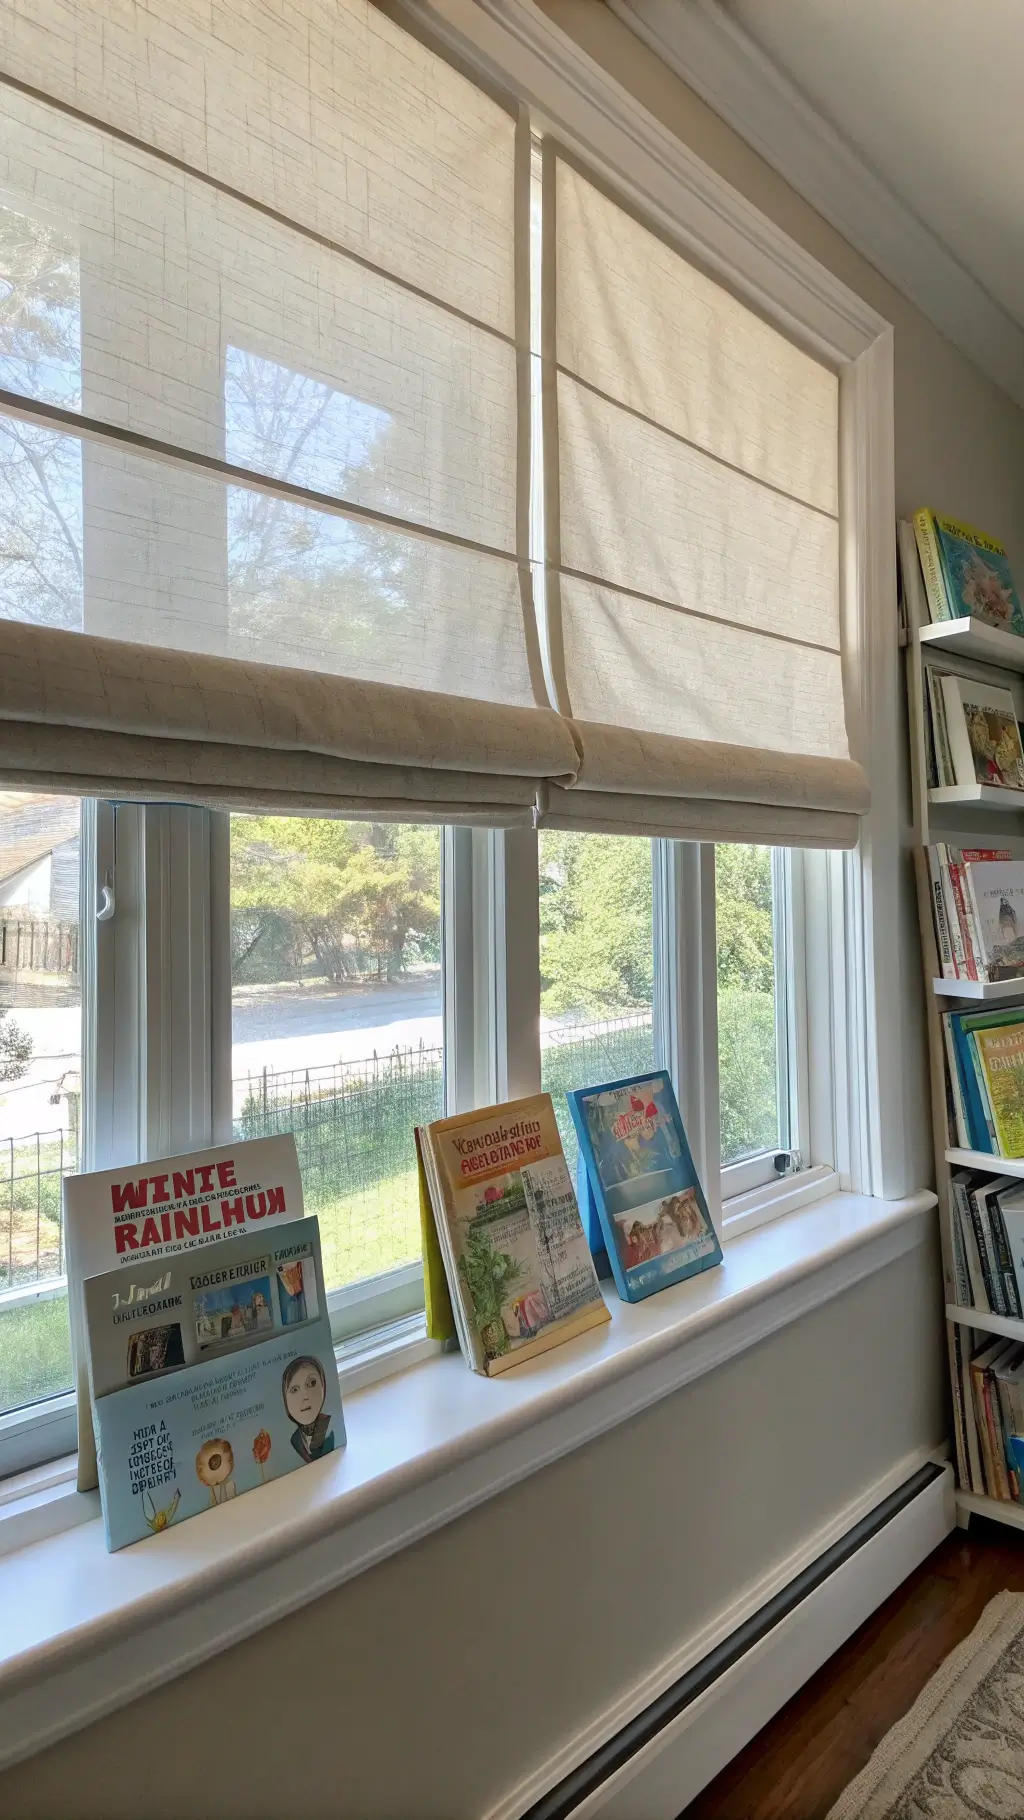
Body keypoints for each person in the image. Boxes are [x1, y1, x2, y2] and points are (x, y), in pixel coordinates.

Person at [282, 1356, 335, 1462]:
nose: (305, 1396)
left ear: (323, 1387)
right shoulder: (295, 1439)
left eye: (312, 1383)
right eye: (295, 1389)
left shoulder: (330, 1427)